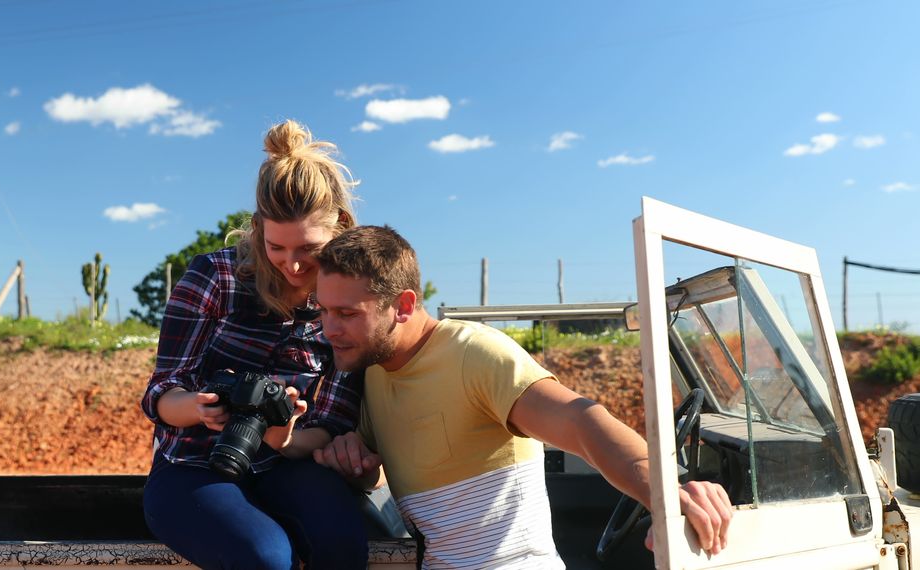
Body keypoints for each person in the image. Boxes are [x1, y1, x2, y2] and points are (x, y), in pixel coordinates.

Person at [311, 225, 733, 569]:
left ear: (402, 306)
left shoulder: (473, 354)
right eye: (324, 311)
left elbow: (580, 422)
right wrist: (355, 458)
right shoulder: (374, 376)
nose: (329, 330)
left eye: (347, 314)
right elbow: (381, 471)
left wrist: (665, 494)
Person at [140, 120, 368, 570]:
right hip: (192, 464)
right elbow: (161, 394)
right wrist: (203, 407)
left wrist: (284, 438)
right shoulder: (214, 277)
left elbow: (335, 421)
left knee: (342, 542)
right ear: (258, 227)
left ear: (340, 226)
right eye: (276, 247)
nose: (293, 264)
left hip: (288, 462)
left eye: (309, 248)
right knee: (263, 558)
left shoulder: (349, 299)